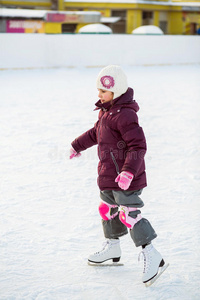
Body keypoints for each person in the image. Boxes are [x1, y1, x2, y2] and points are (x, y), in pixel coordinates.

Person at [69, 65, 167, 285]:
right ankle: (112, 248)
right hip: (108, 176)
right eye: (98, 90)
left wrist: (128, 172)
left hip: (126, 179)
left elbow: (138, 145)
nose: (99, 95)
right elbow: (95, 133)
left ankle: (151, 254)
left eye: (103, 91)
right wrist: (77, 145)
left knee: (129, 214)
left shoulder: (125, 115)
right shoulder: (106, 112)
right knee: (108, 210)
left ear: (117, 91)